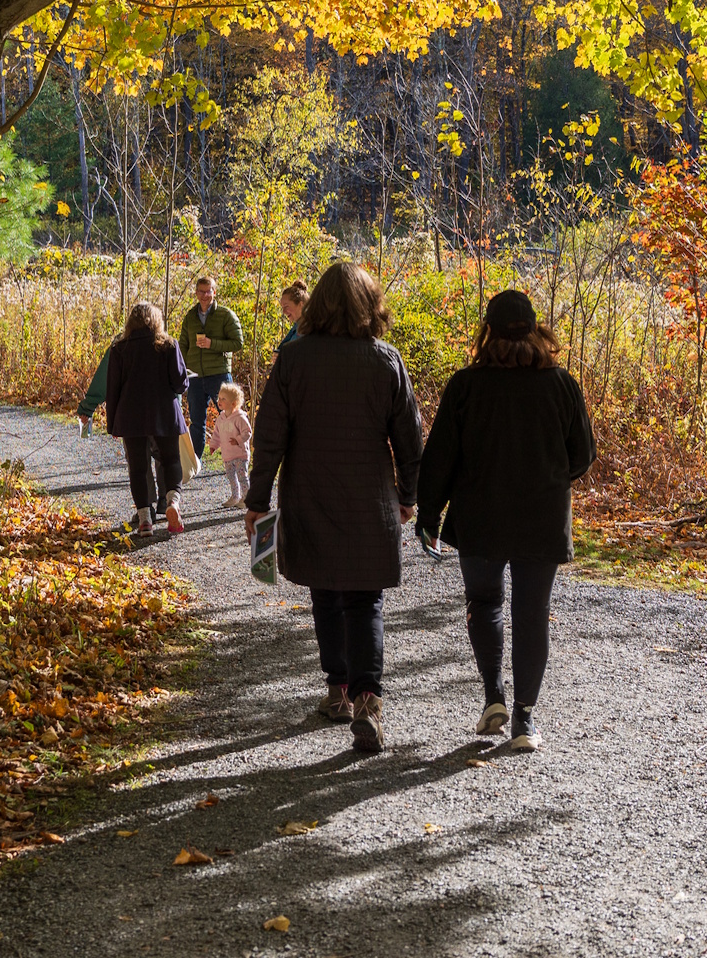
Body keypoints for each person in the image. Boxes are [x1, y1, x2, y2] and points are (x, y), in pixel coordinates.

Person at [245, 261, 423, 753]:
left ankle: (338, 691)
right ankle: (368, 700)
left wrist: (257, 501)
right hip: (370, 499)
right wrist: (408, 495)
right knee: (365, 599)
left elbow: (270, 438)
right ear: (371, 305)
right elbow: (410, 439)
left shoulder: (294, 359)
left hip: (311, 493)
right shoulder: (385, 360)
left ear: (318, 303)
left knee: (325, 591)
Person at [416, 289, 595, 753]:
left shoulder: (466, 386)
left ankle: (494, 695)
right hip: (541, 514)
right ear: (536, 331)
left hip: (480, 516)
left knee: (484, 601)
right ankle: (525, 719)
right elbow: (583, 455)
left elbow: (439, 460)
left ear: (487, 332)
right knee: (532, 612)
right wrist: (551, 477)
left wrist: (429, 517)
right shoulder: (561, 384)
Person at [105, 303, 191, 537]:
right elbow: (180, 383)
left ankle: (145, 520)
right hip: (164, 412)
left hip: (131, 415)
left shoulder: (119, 349)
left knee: (138, 467)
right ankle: (172, 502)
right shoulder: (168, 345)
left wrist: (112, 423)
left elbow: (112, 389)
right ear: (156, 321)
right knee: (171, 459)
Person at [178, 276, 244, 464]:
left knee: (230, 418)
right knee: (196, 422)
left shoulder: (226, 315)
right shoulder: (190, 317)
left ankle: (237, 459)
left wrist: (211, 344)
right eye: (201, 291)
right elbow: (183, 344)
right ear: (196, 293)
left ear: (215, 292)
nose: (205, 295)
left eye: (209, 291)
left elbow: (238, 343)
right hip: (195, 376)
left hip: (219, 375)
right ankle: (196, 462)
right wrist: (181, 368)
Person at [207, 382, 252, 509]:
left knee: (242, 476)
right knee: (231, 477)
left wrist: (238, 440)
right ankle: (235, 496)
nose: (219, 401)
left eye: (223, 399)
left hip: (239, 454)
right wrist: (213, 445)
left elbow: (247, 432)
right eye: (219, 398)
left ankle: (247, 497)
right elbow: (217, 434)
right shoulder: (221, 418)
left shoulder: (240, 418)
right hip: (227, 455)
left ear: (233, 403)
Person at [76, 348, 109, 436]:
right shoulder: (121, 344)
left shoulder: (122, 344)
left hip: (131, 416)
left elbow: (102, 381)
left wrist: (86, 411)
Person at [275, 279, 308, 360]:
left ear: (300, 304)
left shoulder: (314, 327)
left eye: (286, 307)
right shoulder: (297, 326)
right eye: (282, 308)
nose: (284, 312)